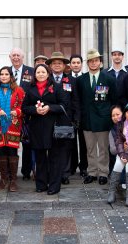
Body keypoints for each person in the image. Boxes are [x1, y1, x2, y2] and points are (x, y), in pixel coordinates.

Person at [22, 64, 68, 195]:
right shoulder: (30, 88)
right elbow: (25, 108)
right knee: (40, 157)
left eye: (43, 72)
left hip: (53, 127)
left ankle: (54, 185)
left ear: (48, 74)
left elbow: (64, 105)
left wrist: (49, 108)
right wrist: (35, 110)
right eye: (38, 72)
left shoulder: (57, 87)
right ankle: (41, 184)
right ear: (34, 74)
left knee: (54, 157)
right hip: (36, 127)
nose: (40, 74)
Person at [77, 48, 118, 185]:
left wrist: (111, 115)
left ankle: (103, 173)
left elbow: (114, 100)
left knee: (103, 148)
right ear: (87, 63)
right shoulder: (80, 80)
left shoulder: (109, 79)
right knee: (90, 148)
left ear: (100, 62)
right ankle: (92, 172)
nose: (93, 63)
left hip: (103, 119)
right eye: (91, 61)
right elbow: (78, 100)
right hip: (87, 119)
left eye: (96, 61)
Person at [0, 66, 24, 192]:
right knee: (0, 152)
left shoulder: (19, 90)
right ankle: (3, 179)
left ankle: (13, 181)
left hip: (13, 125)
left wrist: (16, 111)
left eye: (7, 74)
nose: (4, 76)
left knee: (12, 152)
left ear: (11, 76)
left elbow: (24, 106)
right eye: (2, 74)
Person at [46, 51, 80, 185]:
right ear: (50, 66)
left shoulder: (71, 80)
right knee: (52, 147)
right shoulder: (46, 79)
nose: (57, 65)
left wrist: (77, 118)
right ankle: (53, 173)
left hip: (66, 119)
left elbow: (76, 100)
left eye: (59, 63)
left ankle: (65, 174)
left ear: (64, 65)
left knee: (65, 147)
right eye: (54, 63)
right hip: (49, 118)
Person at [9, 47, 35, 181]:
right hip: (10, 115)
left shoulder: (31, 71)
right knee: (11, 143)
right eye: (13, 55)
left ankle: (26, 171)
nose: (16, 58)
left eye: (18, 55)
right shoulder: (6, 72)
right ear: (10, 57)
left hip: (27, 115)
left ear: (22, 57)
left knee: (27, 144)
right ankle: (10, 172)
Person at [69, 54, 87, 177]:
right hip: (70, 116)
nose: (76, 65)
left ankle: (84, 167)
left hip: (84, 115)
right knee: (71, 142)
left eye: (78, 62)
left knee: (84, 142)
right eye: (73, 63)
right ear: (70, 65)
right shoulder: (66, 79)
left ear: (81, 64)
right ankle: (72, 166)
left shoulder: (85, 78)